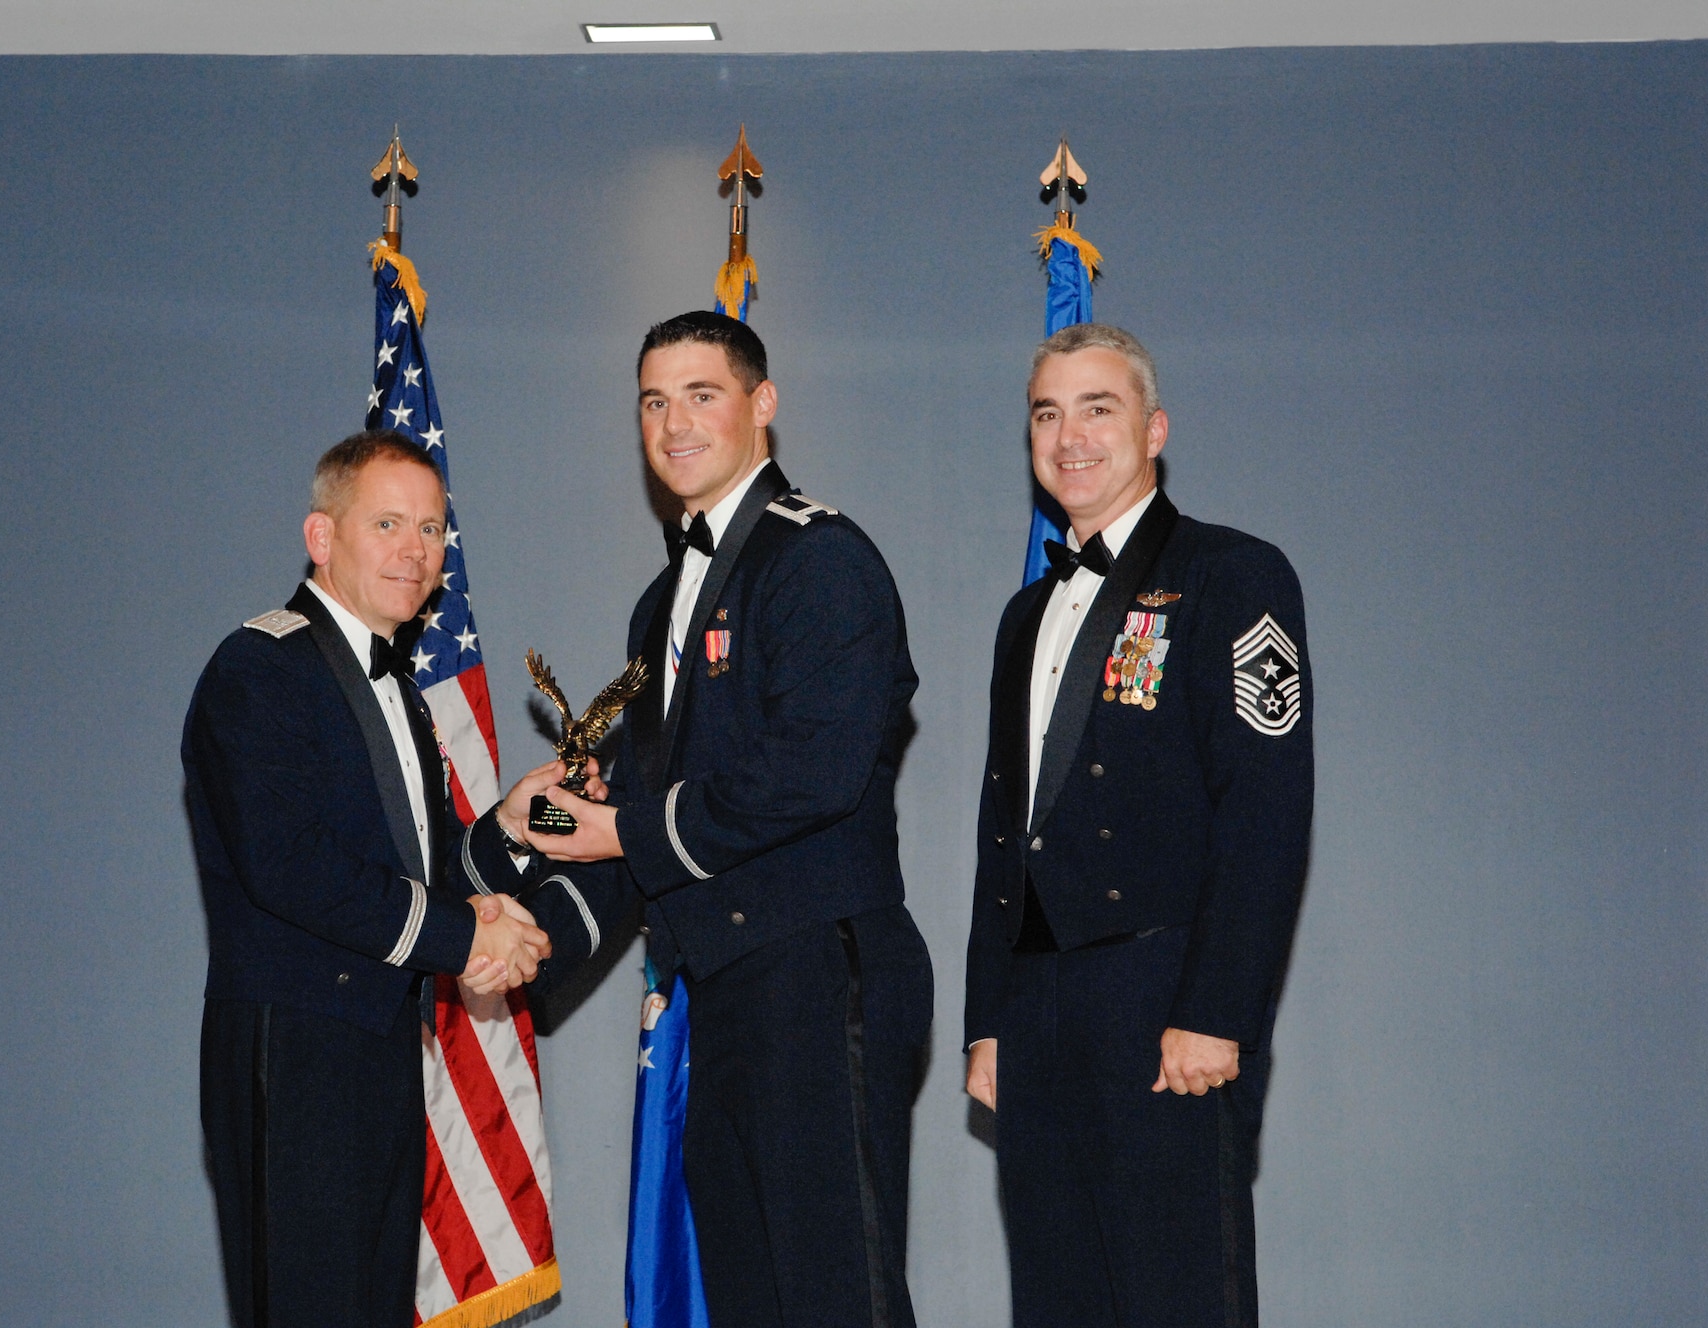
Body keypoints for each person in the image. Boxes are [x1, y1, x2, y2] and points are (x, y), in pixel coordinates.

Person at [517, 311, 933, 1328]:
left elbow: (814, 773)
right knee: (749, 1295)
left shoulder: (820, 560)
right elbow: (633, 826)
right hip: (729, 987)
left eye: (701, 394)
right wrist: (515, 944)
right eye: (653, 401)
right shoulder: (662, 600)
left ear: (762, 405)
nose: (674, 423)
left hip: (819, 972)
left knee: (839, 1295)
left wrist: (622, 830)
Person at [184, 429, 593, 1328]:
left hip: (378, 1045)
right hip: (292, 1052)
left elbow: (437, 867)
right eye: (389, 524)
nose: (416, 549)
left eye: (434, 529)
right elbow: (290, 867)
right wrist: (466, 938)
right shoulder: (259, 667)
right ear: (322, 538)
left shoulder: (401, 688)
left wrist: (533, 823)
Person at [963, 325, 1314, 1327]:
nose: (1068, 435)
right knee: (1056, 1297)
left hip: (1165, 1000)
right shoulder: (1022, 616)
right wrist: (988, 1016)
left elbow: (1264, 806)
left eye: (1096, 407)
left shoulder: (1231, 575)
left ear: (1152, 428)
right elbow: (1003, 830)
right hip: (1037, 1012)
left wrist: (1218, 1007)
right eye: (1046, 412)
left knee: (1175, 1299)